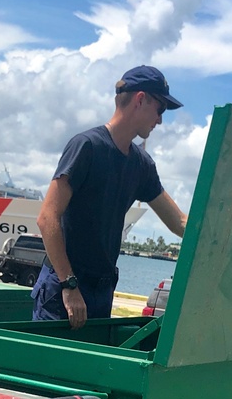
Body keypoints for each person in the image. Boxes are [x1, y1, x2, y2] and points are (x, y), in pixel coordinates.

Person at [32, 65, 188, 328]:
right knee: (46, 368)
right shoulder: (87, 147)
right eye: (160, 109)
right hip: (63, 290)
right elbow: (47, 218)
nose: (160, 120)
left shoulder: (142, 165)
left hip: (101, 292)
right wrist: (69, 286)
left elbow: (179, 222)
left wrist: (222, 236)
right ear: (141, 99)